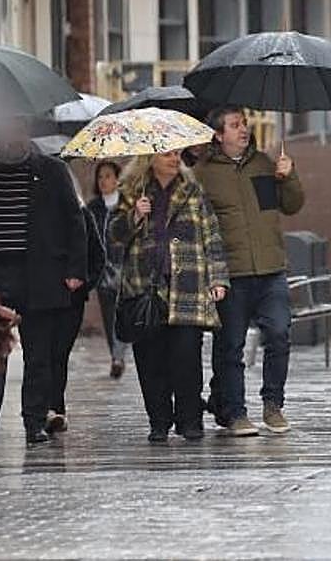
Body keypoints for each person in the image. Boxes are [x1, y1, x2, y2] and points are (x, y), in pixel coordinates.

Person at [0, 117, 87, 447]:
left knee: (39, 353)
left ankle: (35, 421)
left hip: (40, 272)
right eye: (8, 131)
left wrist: (75, 270)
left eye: (20, 130)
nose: (15, 137)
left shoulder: (51, 170)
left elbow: (74, 220)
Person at [194, 107, 304, 437]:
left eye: (244, 124)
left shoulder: (263, 165)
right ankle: (236, 411)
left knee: (280, 333)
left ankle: (273, 404)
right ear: (218, 134)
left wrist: (289, 175)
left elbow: (291, 205)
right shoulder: (203, 174)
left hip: (271, 269)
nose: (244, 130)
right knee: (230, 345)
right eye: (235, 125)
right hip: (231, 273)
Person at [110, 151, 229, 443]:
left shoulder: (193, 191)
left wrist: (218, 278)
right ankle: (159, 422)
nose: (175, 158)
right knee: (150, 360)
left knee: (187, 358)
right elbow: (113, 237)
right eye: (167, 154)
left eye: (177, 153)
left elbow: (211, 235)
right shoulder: (131, 192)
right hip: (144, 289)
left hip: (187, 286)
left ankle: (190, 421)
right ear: (150, 158)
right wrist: (135, 215)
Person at [45, 183, 107, 433]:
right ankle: (41, 409)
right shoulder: (35, 215)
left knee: (58, 354)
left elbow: (98, 256)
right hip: (39, 296)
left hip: (71, 299)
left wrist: (83, 283)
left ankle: (55, 408)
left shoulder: (82, 215)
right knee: (40, 355)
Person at [87, 161, 129, 379]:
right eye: (100, 176)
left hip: (126, 269)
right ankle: (116, 356)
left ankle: (119, 355)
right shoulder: (93, 208)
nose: (103, 181)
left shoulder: (127, 205)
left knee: (123, 314)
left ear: (117, 179)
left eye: (108, 176)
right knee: (109, 315)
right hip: (103, 271)